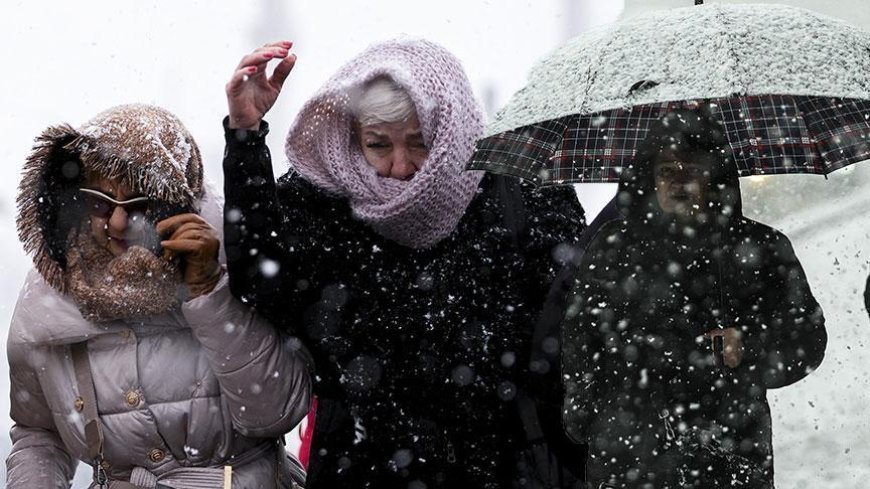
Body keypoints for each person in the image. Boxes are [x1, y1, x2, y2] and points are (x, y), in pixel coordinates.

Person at [222, 38, 587, 488]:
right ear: (354, 138)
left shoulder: (521, 189)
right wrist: (245, 136)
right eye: (378, 145)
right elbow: (261, 281)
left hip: (500, 464)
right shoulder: (325, 197)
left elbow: (566, 325)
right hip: (362, 465)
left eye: (419, 143)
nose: (401, 167)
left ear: (452, 128)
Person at [6, 104, 311, 488]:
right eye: (99, 202)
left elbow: (274, 414)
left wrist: (208, 291)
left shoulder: (237, 264)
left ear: (177, 201)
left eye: (139, 205)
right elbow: (39, 434)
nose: (117, 222)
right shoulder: (49, 295)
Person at [561, 108, 827, 488]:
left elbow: (807, 338)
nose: (679, 182)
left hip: (730, 459)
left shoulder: (762, 248)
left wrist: (748, 345)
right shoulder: (613, 249)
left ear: (714, 175)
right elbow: (579, 336)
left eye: (692, 169)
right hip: (629, 461)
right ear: (649, 180)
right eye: (667, 171)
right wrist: (584, 413)